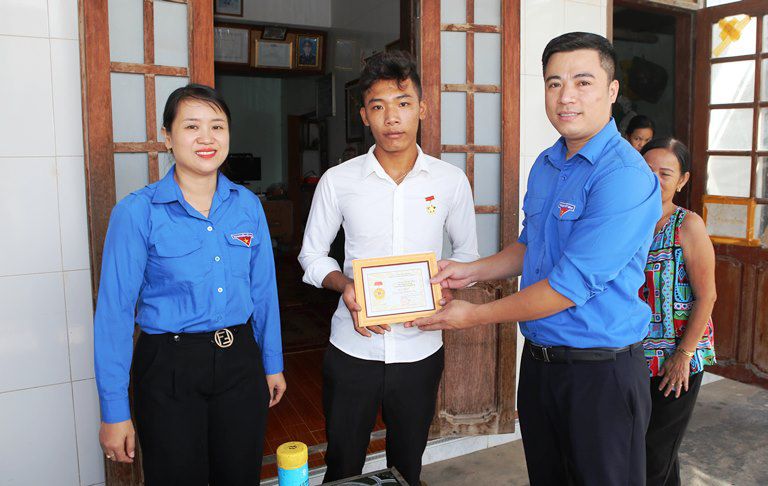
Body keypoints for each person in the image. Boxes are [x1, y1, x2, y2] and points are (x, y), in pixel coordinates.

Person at [408, 32, 662, 485]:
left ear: (612, 90)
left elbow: (567, 287)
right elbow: (531, 247)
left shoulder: (624, 176)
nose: (566, 97)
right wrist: (468, 271)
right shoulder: (547, 164)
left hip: (600, 374)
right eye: (553, 83)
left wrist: (473, 316)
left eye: (583, 82)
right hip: (541, 366)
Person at [298, 50, 478, 486]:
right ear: (364, 115)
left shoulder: (449, 181)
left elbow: (468, 255)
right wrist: (344, 285)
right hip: (352, 349)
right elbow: (312, 255)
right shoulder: (338, 180)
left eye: (403, 103)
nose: (392, 118)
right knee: (343, 463)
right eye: (378, 106)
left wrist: (448, 285)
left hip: (420, 349)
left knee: (407, 465)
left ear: (422, 108)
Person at [95, 84, 286, 485]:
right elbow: (114, 314)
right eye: (192, 126)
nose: (206, 138)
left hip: (240, 362)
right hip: (169, 367)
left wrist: (272, 364)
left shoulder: (248, 205)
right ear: (167, 136)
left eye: (217, 126)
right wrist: (114, 410)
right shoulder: (137, 212)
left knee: (240, 475)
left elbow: (264, 292)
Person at [639, 138, 716, 486]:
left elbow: (707, 296)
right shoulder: (627, 223)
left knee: (654, 454)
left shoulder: (688, 225)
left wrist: (683, 355)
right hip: (633, 356)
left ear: (682, 180)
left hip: (676, 358)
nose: (654, 179)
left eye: (665, 173)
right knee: (651, 452)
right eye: (647, 170)